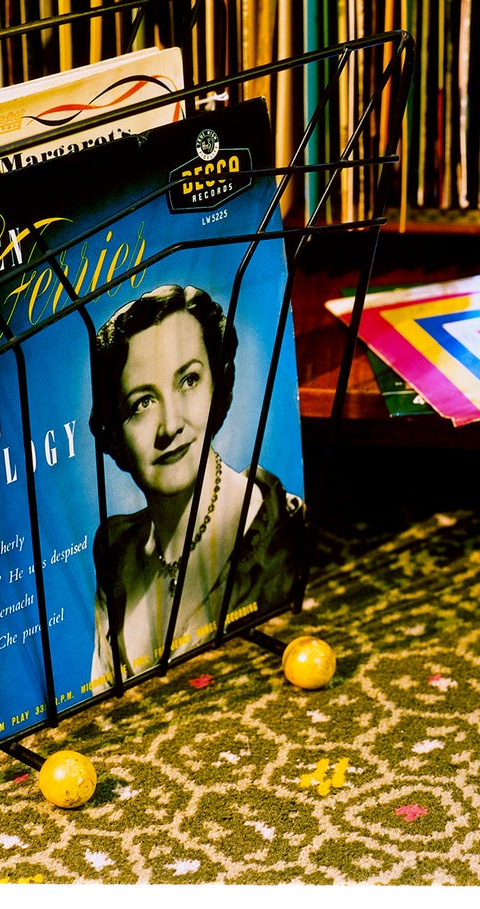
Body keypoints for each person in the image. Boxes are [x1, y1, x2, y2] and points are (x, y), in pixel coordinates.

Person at [88, 283, 304, 683]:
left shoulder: (282, 535)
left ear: (217, 385)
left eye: (188, 380)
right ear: (113, 433)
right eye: (142, 402)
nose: (171, 425)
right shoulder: (115, 551)